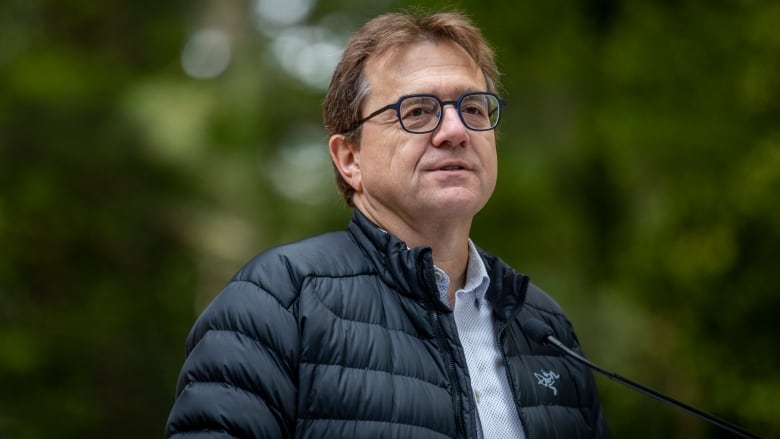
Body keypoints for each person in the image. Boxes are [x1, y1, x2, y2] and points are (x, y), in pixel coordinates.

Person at [165, 10, 609, 439]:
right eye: (417, 111)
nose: (455, 130)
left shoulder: (544, 327)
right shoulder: (275, 302)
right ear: (349, 159)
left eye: (473, 108)